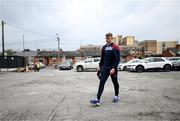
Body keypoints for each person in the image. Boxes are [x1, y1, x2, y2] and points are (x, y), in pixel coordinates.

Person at [90, 32, 120, 106]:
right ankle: (98, 99)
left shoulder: (116, 47)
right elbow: (102, 58)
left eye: (108, 38)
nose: (107, 40)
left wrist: (114, 68)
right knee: (101, 82)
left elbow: (117, 59)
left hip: (113, 69)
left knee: (115, 82)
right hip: (105, 68)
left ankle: (116, 95)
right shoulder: (104, 47)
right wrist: (99, 66)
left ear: (111, 38)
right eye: (106, 38)